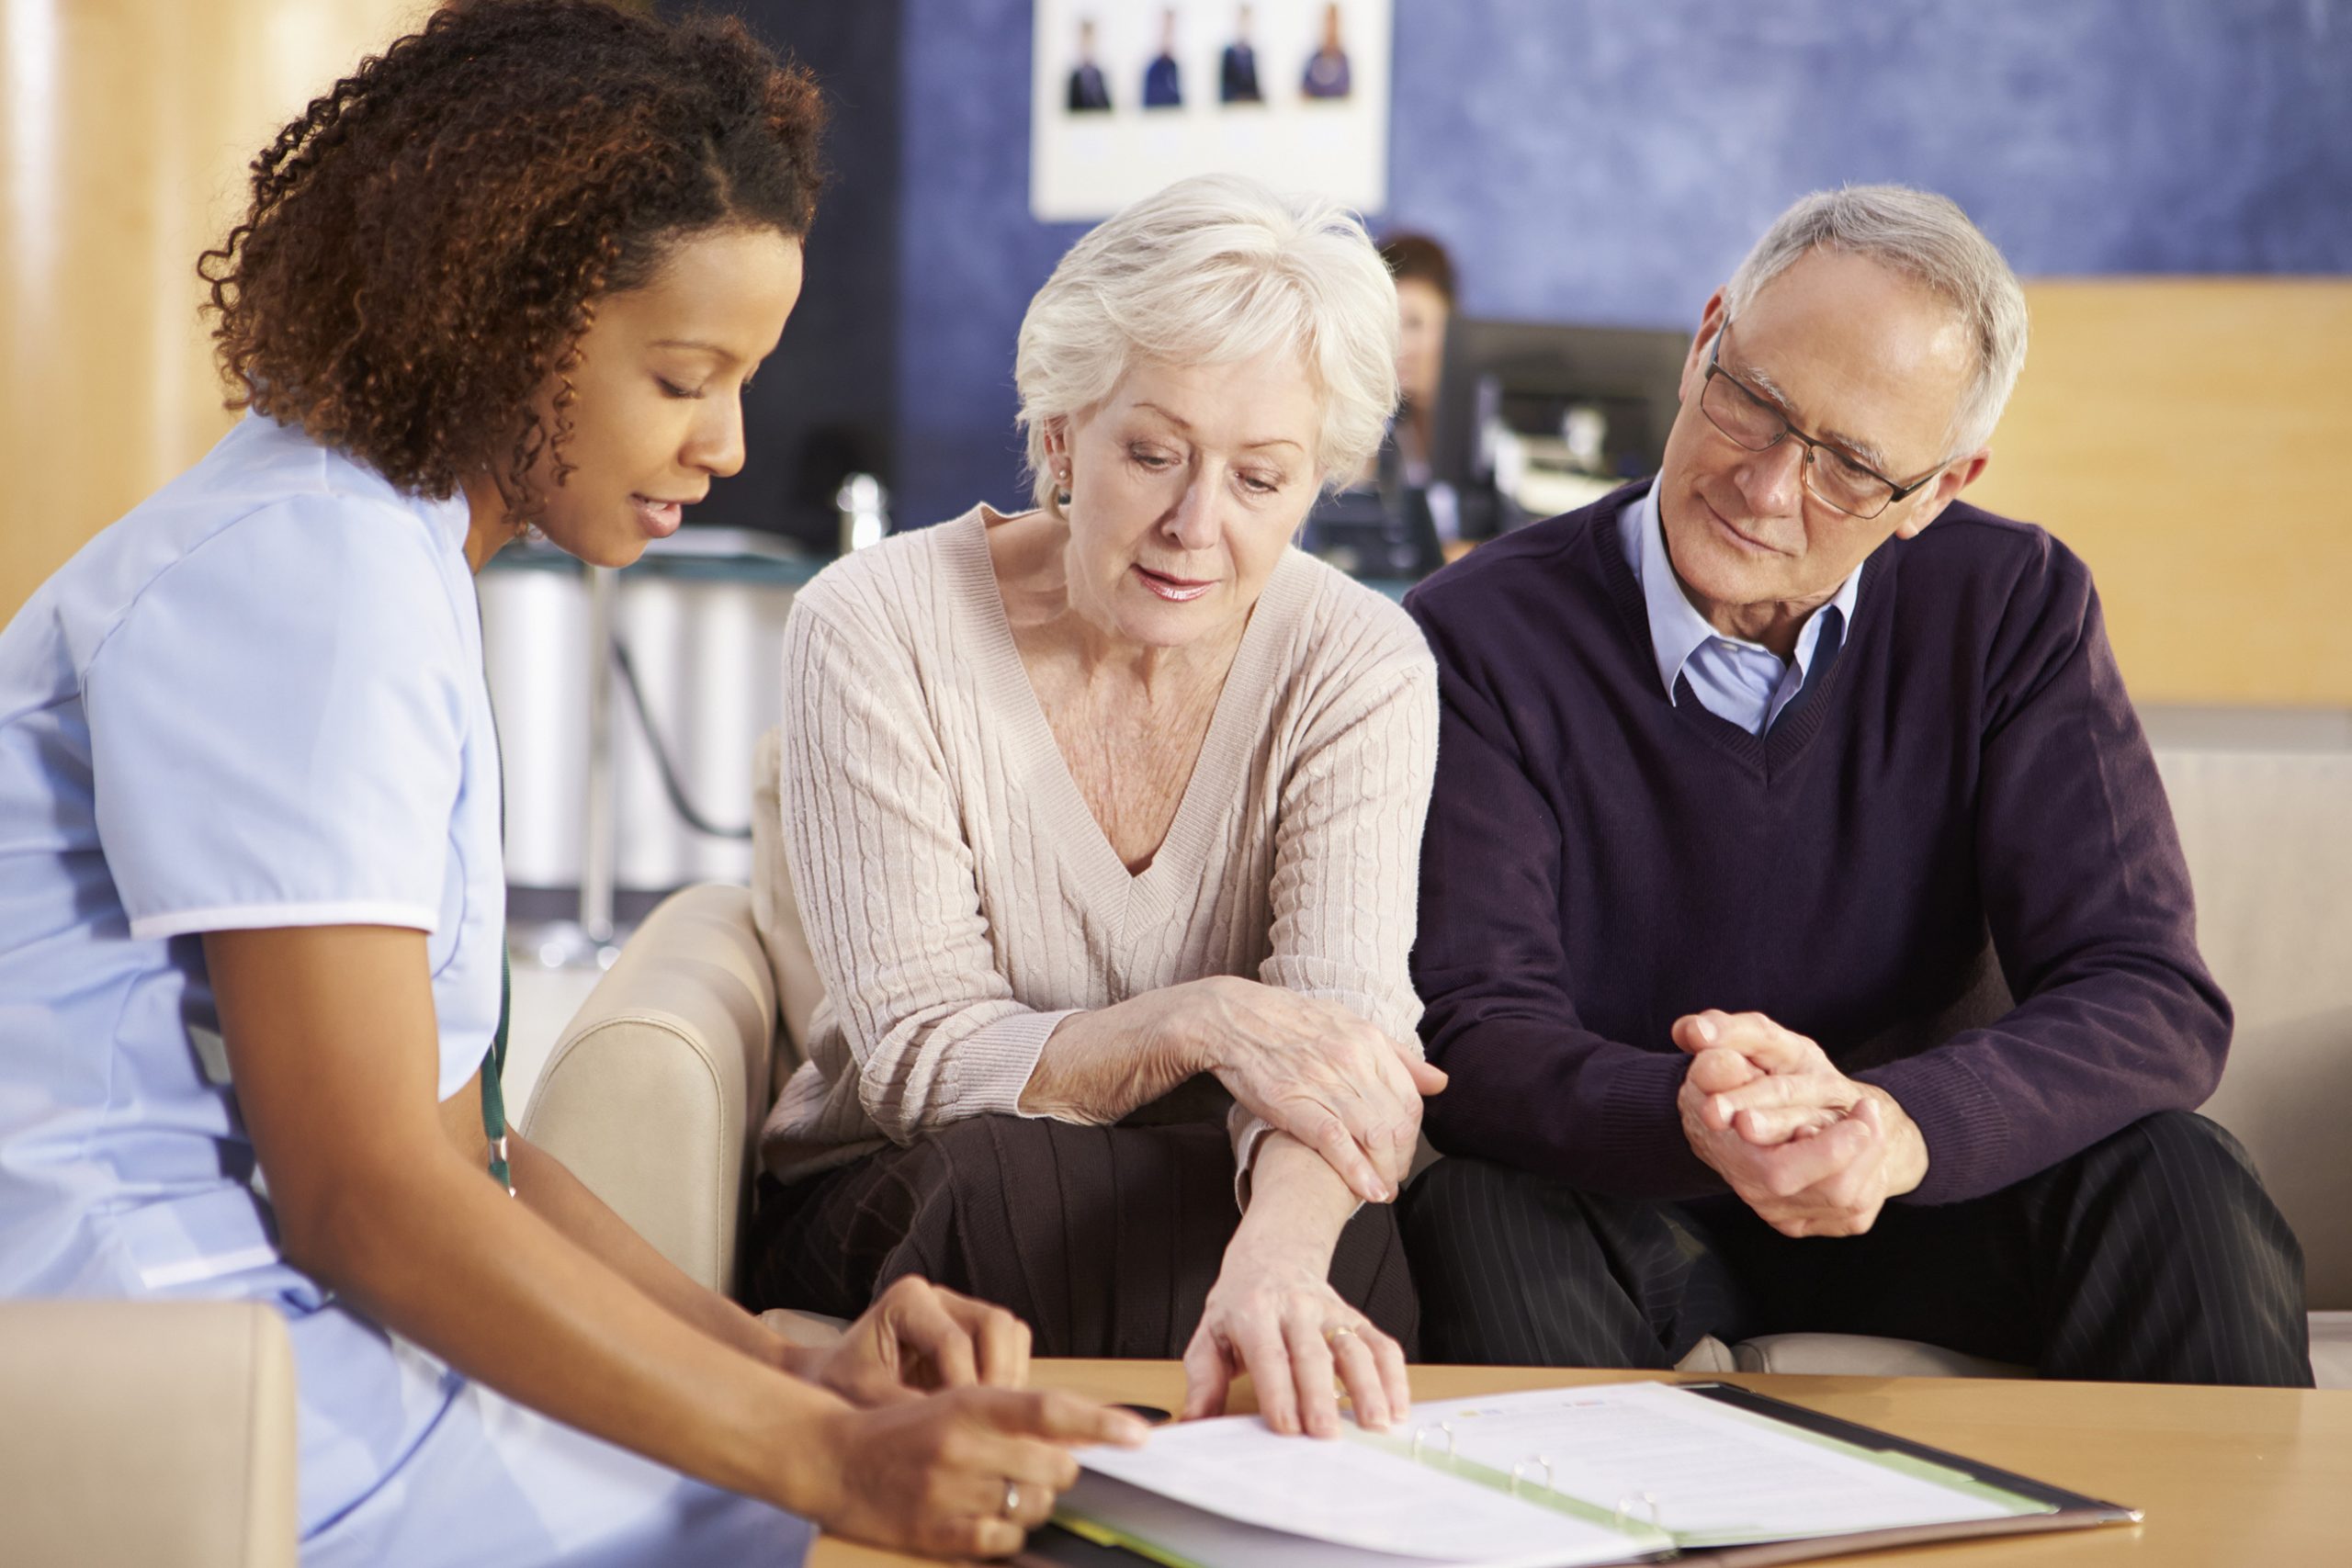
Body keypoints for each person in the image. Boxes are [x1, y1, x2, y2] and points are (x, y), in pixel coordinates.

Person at [0, 6, 1143, 1565]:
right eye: (685, 376)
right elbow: (366, 1196)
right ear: (499, 313)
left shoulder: (368, 547)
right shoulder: (307, 577)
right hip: (164, 1366)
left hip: (261, 1329)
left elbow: (457, 1149)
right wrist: (825, 1459)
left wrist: (791, 1368)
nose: (728, 441)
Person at [1397, 185, 2313, 1388]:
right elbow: (1475, 1025)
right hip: (1632, 1194)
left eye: (1853, 466)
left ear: (1939, 486)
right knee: (1477, 1208)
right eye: (1756, 401)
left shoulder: (2014, 605)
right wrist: (1702, 1109)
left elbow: (2147, 992)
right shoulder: (1478, 631)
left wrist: (1890, 1126)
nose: (1769, 484)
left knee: (2182, 1177)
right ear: (1706, 339)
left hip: (1931, 1188)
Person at [747, 173, 1444, 1439]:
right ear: (1062, 434)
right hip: (921, 1177)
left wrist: (1282, 1260)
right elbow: (916, 1058)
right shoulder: (875, 623)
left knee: (1339, 1256)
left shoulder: (1361, 661)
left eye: (1260, 479)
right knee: (1008, 1187)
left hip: (1218, 1182)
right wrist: (1208, 1020)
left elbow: (1347, 1040)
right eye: (1153, 453)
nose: (1196, 526)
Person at [1301, 3, 1352, 99]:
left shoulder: (1344, 61)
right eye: (1328, 21)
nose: (1330, 27)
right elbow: (1304, 93)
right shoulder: (1313, 60)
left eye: (1334, 21)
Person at [1220, 6, 1264, 103]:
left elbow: (1255, 87)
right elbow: (1224, 89)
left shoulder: (1251, 53)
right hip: (1233, 107)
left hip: (1250, 106)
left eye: (1248, 23)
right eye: (1243, 22)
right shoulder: (1228, 53)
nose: (1246, 27)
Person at [1068, 18, 1113, 112]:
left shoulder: (1099, 76)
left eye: (1090, 41)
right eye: (1084, 42)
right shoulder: (1075, 78)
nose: (1087, 46)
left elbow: (1108, 108)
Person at [1143, 9, 1182, 108]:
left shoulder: (1174, 66)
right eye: (1166, 32)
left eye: (1171, 32)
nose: (1168, 37)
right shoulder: (1152, 69)